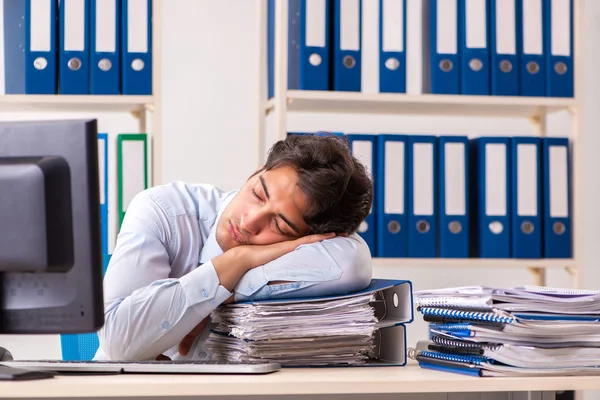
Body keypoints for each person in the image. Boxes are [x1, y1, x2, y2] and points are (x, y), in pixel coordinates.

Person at [94, 133, 374, 361]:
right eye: (258, 194)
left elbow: (352, 263)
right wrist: (231, 264)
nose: (249, 221)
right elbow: (119, 344)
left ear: (305, 239)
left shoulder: (313, 252)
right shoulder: (165, 210)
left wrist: (221, 289)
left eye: (280, 226)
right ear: (256, 173)